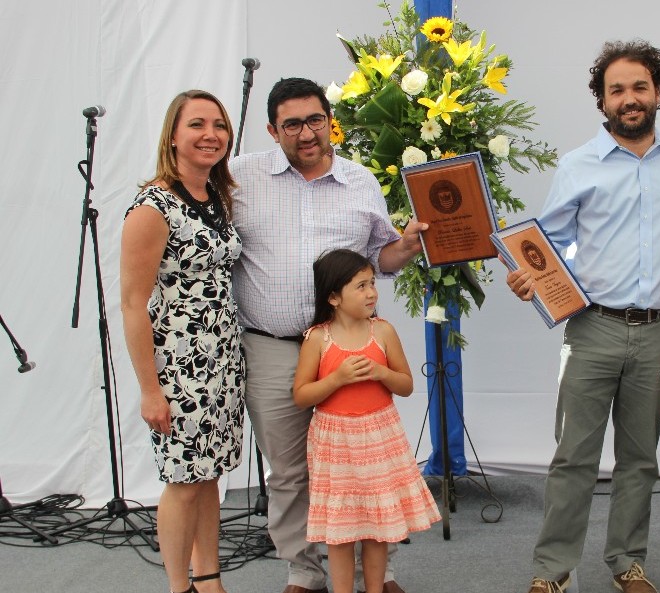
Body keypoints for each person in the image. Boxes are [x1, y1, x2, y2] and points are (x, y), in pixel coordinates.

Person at [506, 40, 660, 593]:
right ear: (603, 101)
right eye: (616, 89)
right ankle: (553, 571)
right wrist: (529, 277)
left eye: (640, 86)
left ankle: (627, 561)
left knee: (640, 459)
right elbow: (545, 245)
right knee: (573, 456)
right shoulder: (577, 166)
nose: (629, 98)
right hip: (591, 328)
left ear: (658, 92)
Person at [231, 77, 425, 593]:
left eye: (315, 119)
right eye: (291, 123)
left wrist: (405, 247)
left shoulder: (360, 181)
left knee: (361, 469)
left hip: (351, 345)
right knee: (291, 472)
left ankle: (373, 574)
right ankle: (304, 571)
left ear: (329, 120)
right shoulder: (241, 176)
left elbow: (379, 260)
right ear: (273, 130)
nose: (306, 132)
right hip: (274, 346)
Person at [120, 90, 244, 593]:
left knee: (208, 476)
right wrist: (151, 390)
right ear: (173, 136)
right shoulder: (152, 205)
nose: (210, 134)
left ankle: (208, 579)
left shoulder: (216, 197)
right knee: (183, 480)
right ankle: (178, 586)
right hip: (180, 364)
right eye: (196, 124)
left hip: (222, 358)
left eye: (219, 124)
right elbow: (132, 304)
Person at [292, 249, 440, 593]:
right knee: (340, 531)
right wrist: (337, 379)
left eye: (372, 283)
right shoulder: (317, 338)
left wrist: (382, 372)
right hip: (335, 442)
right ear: (333, 297)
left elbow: (406, 385)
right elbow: (301, 395)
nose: (372, 292)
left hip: (379, 437)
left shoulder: (383, 332)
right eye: (360, 286)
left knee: (378, 524)